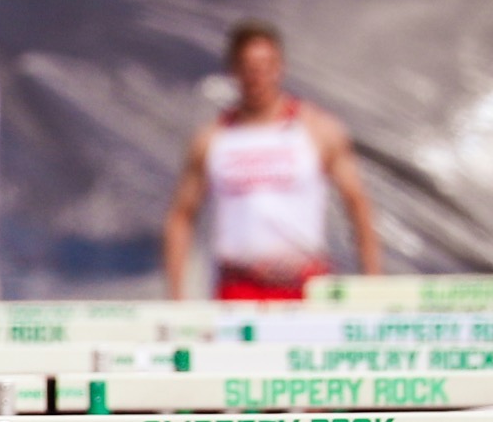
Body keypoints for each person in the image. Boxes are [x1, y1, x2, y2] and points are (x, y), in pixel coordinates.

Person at [163, 20, 381, 300]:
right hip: (240, 288)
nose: (258, 76)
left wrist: (374, 286)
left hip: (305, 287)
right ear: (234, 70)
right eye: (249, 68)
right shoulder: (211, 139)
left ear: (280, 67)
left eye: (266, 66)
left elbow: (358, 204)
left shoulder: (319, 130)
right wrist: (177, 297)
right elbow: (180, 217)